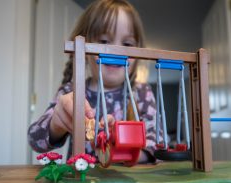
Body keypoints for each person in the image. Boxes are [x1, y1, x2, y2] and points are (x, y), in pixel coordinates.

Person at [28, 0, 160, 163]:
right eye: (104, 41)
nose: (115, 52)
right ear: (84, 49)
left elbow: (156, 142)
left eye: (127, 44)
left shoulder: (141, 92)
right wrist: (56, 124)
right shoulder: (72, 91)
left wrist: (120, 151)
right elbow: (35, 139)